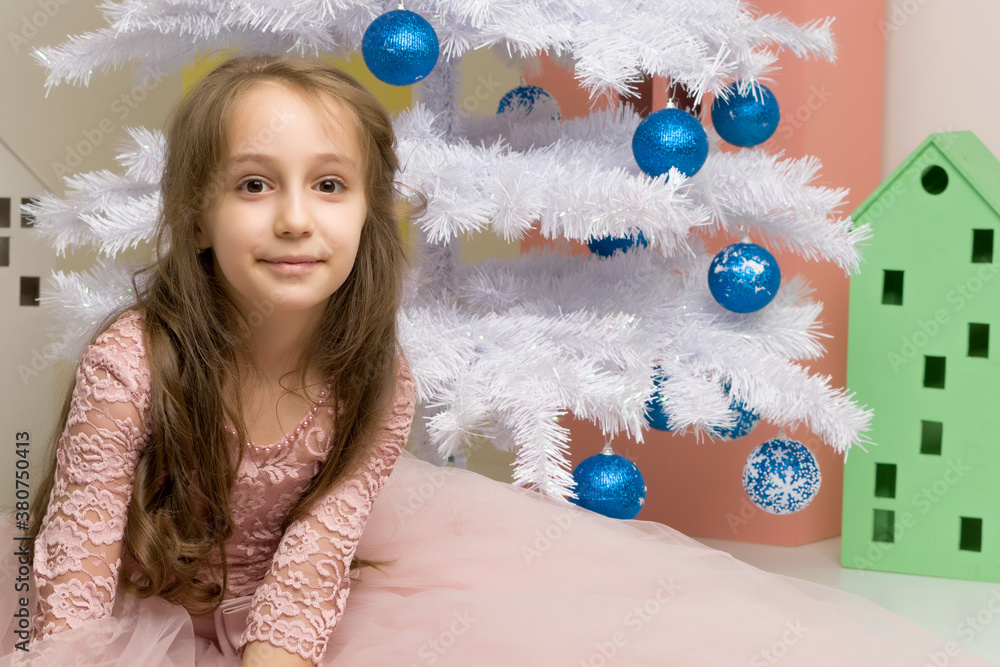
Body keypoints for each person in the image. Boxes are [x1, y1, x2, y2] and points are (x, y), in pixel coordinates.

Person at [0, 53, 996, 666]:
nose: (295, 219)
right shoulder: (135, 359)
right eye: (255, 184)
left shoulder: (371, 377)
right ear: (199, 216)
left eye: (331, 186)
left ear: (367, 213)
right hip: (142, 602)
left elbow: (312, 555)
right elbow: (79, 570)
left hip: (289, 608)